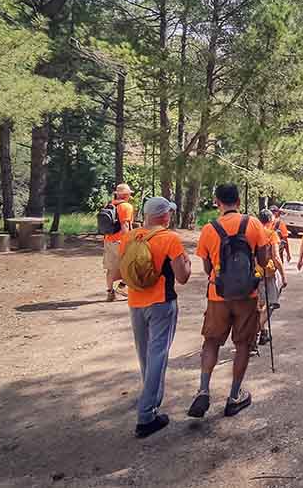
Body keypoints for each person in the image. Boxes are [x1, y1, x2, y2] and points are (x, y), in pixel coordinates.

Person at [189, 184, 270, 419]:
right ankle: (234, 396)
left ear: (217, 201)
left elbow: (206, 268)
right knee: (243, 344)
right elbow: (264, 261)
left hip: (218, 296)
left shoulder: (209, 229)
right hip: (247, 296)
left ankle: (203, 390)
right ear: (238, 199)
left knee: (211, 342)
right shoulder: (253, 224)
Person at [113, 197, 191, 438]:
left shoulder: (128, 237)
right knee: (158, 355)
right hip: (161, 304)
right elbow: (183, 277)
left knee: (145, 354)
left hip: (135, 302)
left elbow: (120, 272)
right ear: (165, 216)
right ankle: (146, 415)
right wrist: (186, 262)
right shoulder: (170, 239)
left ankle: (150, 399)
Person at [254, 209, 288, 356]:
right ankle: (254, 330)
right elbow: (276, 257)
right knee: (272, 304)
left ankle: (263, 333)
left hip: (252, 274)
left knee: (259, 305)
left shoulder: (251, 234)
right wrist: (284, 276)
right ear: (270, 220)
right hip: (267, 273)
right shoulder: (271, 234)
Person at [104, 183, 135, 301]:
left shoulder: (110, 204)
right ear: (127, 195)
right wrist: (129, 242)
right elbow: (125, 225)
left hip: (108, 240)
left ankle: (110, 292)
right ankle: (122, 287)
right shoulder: (126, 207)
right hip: (121, 241)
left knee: (111, 269)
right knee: (131, 265)